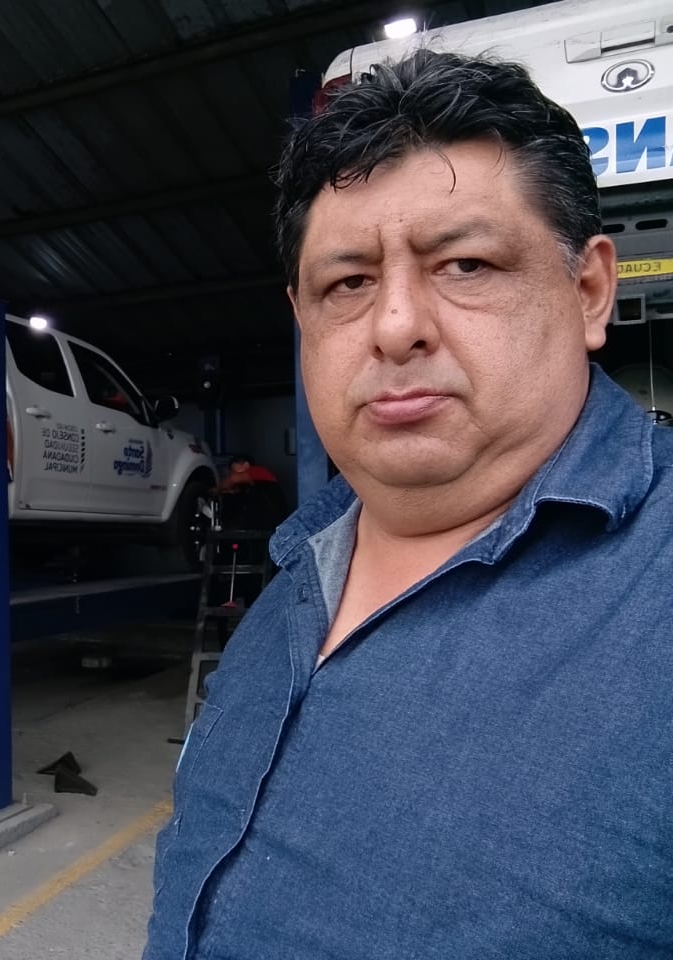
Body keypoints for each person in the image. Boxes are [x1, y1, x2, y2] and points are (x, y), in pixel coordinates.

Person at [143, 50, 673, 959]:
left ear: (589, 292)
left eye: (465, 264)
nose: (395, 326)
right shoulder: (298, 571)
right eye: (347, 283)